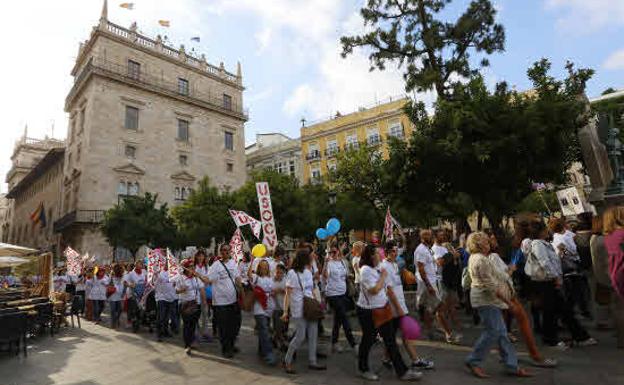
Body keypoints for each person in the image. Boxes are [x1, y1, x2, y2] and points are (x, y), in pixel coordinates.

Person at [464, 232, 530, 378]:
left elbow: (494, 279)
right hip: (486, 300)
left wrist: (508, 273)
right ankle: (474, 360)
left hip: (486, 299)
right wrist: (508, 302)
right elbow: (491, 286)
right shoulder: (480, 260)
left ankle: (511, 365)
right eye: (486, 242)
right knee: (494, 331)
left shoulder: (478, 258)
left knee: (501, 333)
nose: (489, 244)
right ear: (480, 245)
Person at [487, 234, 556, 368]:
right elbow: (502, 276)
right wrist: (511, 269)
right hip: (505, 294)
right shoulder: (492, 257)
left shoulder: (490, 257)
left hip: (503, 294)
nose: (494, 241)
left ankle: (507, 355)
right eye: (491, 240)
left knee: (500, 327)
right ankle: (534, 355)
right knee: (521, 321)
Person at [356, 244, 420, 381]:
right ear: (372, 256)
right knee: (368, 340)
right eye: (378, 253)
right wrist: (383, 277)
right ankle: (363, 369)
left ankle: (403, 372)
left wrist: (397, 308)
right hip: (368, 312)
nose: (381, 255)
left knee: (390, 341)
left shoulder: (380, 267)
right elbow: (374, 290)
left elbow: (388, 288)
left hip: (383, 309)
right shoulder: (365, 270)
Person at [527, 221, 596, 348]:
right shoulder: (538, 245)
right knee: (552, 311)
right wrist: (556, 277)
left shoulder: (543, 244)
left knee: (561, 310)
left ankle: (578, 336)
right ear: (541, 231)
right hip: (546, 282)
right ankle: (553, 338)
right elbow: (545, 263)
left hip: (549, 281)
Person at [381, 240, 434, 372]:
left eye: (396, 250)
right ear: (387, 252)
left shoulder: (394, 265)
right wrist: (399, 308)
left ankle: (387, 358)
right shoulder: (385, 266)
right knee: (404, 334)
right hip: (394, 308)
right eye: (393, 251)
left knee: (393, 336)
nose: (395, 253)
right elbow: (389, 290)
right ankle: (415, 361)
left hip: (399, 305)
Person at [282, 249, 326, 374]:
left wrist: (318, 303)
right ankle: (287, 361)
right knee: (300, 337)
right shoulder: (292, 273)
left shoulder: (307, 272)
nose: (311, 259)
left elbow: (311, 290)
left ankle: (313, 361)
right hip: (298, 309)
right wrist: (285, 311)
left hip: (310, 308)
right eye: (309, 258)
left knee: (313, 335)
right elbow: (287, 294)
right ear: (304, 259)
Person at [197, 244, 242, 358]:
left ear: (230, 251)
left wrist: (243, 289)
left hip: (233, 300)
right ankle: (226, 348)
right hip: (220, 303)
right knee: (223, 327)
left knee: (235, 325)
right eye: (223, 250)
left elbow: (237, 279)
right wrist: (198, 275)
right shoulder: (216, 266)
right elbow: (208, 280)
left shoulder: (233, 263)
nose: (226, 252)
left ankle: (231, 345)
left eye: (228, 250)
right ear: (220, 252)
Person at [414, 229, 455, 343]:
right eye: (429, 236)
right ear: (423, 237)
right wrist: (429, 286)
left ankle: (429, 330)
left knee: (430, 308)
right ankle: (448, 334)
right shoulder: (421, 250)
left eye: (432, 235)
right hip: (427, 284)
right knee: (439, 307)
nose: (432, 237)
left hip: (432, 282)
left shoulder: (427, 249)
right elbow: (421, 269)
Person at [550, 218, 591, 319]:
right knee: (576, 291)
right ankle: (579, 311)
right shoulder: (558, 239)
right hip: (570, 267)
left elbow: (576, 240)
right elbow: (566, 252)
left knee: (579, 290)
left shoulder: (567, 234)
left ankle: (581, 309)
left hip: (576, 263)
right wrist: (571, 252)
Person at [322, 242, 357, 354]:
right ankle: (354, 344)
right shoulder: (329, 263)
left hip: (343, 293)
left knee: (338, 319)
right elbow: (325, 276)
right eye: (330, 252)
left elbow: (345, 275)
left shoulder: (342, 262)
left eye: (334, 251)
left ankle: (334, 343)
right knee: (344, 317)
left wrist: (351, 276)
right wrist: (325, 264)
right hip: (332, 294)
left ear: (338, 251)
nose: (332, 254)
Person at [602, 206, 624, 348]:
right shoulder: (622, 234)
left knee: (620, 309)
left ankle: (621, 339)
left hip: (616, 274)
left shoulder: (608, 237)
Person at [250, 259, 276, 365]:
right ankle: (268, 353)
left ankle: (261, 351)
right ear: (259, 267)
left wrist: (273, 292)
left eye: (266, 265)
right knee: (264, 329)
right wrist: (252, 260)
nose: (264, 267)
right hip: (258, 307)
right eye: (262, 266)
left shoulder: (271, 279)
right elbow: (249, 276)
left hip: (269, 307)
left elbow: (273, 289)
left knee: (263, 330)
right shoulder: (256, 278)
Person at [590, 215, 613, 330]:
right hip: (606, 273)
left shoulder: (594, 238)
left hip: (599, 272)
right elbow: (608, 260)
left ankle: (602, 322)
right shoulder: (602, 240)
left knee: (602, 300)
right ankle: (604, 323)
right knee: (608, 301)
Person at [177, 258, 203, 355]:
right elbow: (176, 290)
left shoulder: (195, 277)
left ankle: (191, 342)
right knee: (187, 326)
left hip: (195, 304)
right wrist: (182, 290)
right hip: (185, 304)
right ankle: (187, 345)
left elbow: (200, 287)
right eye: (190, 267)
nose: (192, 268)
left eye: (193, 266)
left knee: (193, 325)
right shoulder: (181, 278)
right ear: (185, 268)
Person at [154, 260, 179, 341]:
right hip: (161, 298)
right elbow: (155, 283)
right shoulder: (159, 273)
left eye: (169, 263)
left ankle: (165, 331)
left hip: (170, 298)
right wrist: (156, 274)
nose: (167, 265)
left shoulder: (173, 273)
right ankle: (159, 334)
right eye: (166, 263)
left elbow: (176, 283)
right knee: (160, 317)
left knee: (167, 317)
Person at [194, 249, 211, 341]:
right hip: (195, 294)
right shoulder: (193, 266)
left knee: (205, 313)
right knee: (195, 314)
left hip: (204, 293)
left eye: (202, 256)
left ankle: (205, 332)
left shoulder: (207, 267)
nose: (200, 258)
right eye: (199, 256)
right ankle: (196, 333)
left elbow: (207, 280)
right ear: (196, 257)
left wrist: (199, 276)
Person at [272, 264, 288, 352]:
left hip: (284, 307)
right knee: (277, 326)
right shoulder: (272, 280)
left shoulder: (285, 281)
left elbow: (289, 292)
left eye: (281, 273)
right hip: (274, 308)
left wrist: (281, 290)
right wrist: (272, 292)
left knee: (281, 327)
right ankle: (281, 343)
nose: (278, 274)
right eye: (277, 272)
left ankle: (275, 340)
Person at [108, 264, 125, 329]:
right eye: (117, 268)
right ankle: (113, 323)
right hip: (112, 295)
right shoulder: (111, 275)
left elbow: (124, 283)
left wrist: (123, 292)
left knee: (120, 309)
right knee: (113, 310)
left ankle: (117, 319)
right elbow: (108, 283)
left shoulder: (123, 275)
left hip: (119, 295)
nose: (118, 270)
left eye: (119, 268)